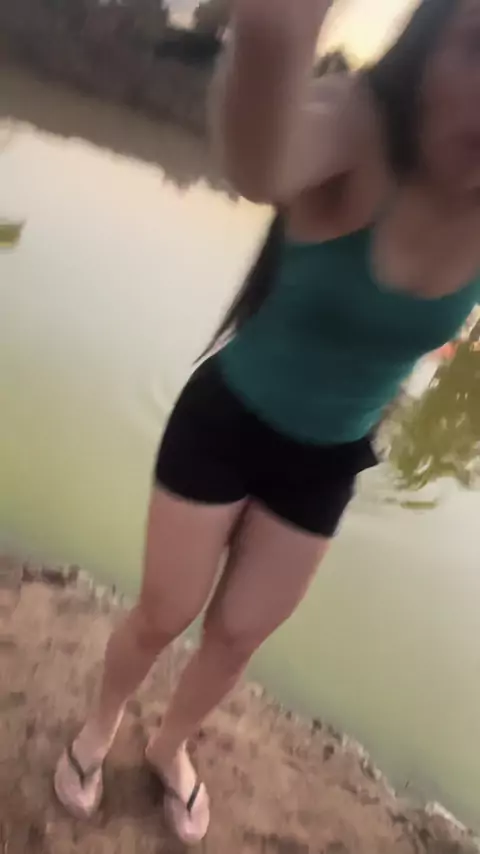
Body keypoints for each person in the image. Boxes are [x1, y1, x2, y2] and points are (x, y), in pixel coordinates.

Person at [54, 0, 480, 843]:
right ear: (429, 46)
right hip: (228, 422)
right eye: (478, 48)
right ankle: (98, 728)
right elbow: (263, 162)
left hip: (327, 461)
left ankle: (170, 745)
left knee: (238, 636)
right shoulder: (358, 125)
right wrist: (277, 33)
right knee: (164, 614)